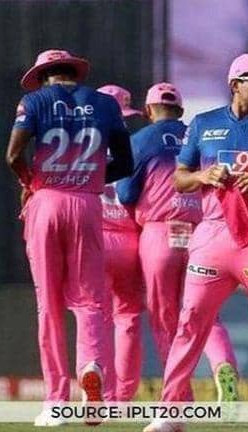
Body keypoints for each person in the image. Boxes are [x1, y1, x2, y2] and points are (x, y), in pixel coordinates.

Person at [143, 54, 248, 432]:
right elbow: (180, 178)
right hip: (213, 236)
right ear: (235, 85)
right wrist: (203, 176)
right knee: (189, 323)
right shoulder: (203, 123)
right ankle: (171, 413)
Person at [7, 49, 133, 426]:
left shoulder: (35, 101)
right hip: (88, 204)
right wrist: (90, 176)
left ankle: (56, 400)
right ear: (74, 73)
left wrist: (30, 182)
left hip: (46, 200)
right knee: (90, 300)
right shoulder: (105, 104)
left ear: (45, 76)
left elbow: (13, 155)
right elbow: (125, 163)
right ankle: (91, 366)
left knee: (48, 303)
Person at [115, 83, 238, 405]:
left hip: (159, 234)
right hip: (199, 232)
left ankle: (179, 396)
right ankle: (223, 363)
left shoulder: (140, 140)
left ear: (148, 110)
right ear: (181, 111)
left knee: (165, 318)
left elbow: (125, 193)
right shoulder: (198, 136)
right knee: (205, 310)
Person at [96, 84, 145, 402]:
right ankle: (122, 397)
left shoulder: (82, 143)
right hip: (129, 240)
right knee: (127, 317)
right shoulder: (136, 144)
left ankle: (98, 385)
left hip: (94, 238)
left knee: (95, 315)